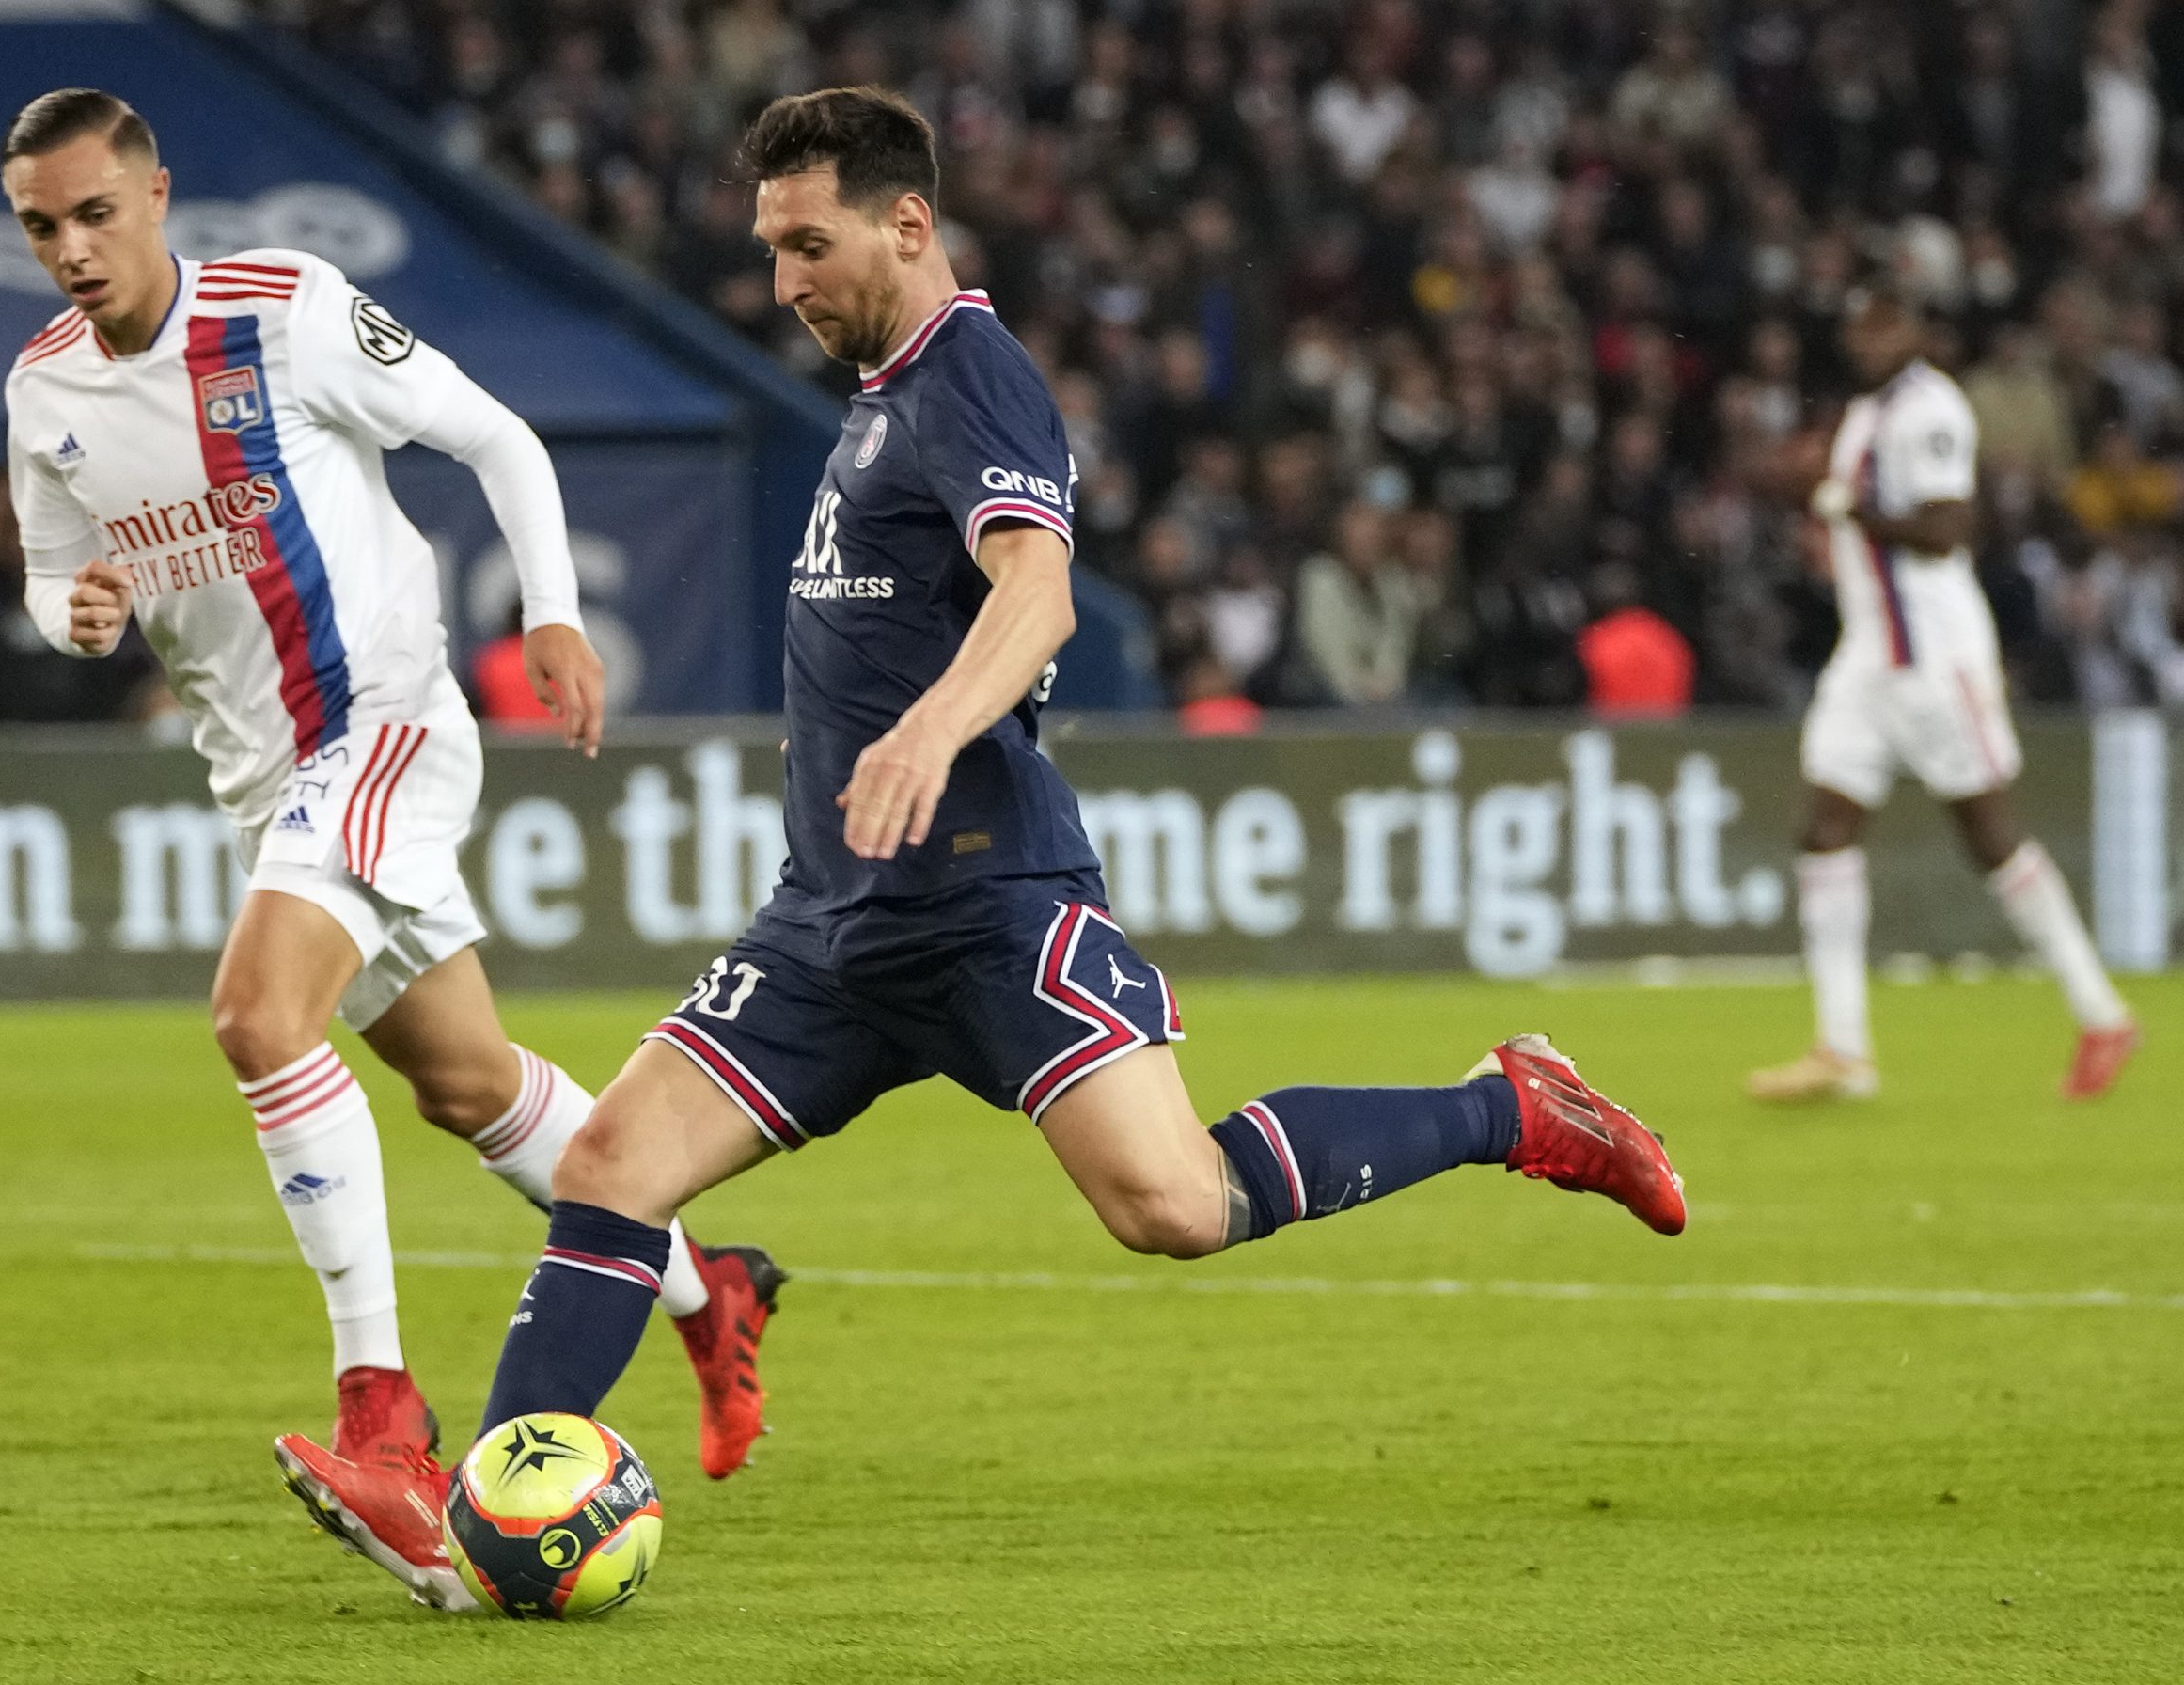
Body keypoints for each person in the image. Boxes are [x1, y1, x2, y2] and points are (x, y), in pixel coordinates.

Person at [283, 86, 1689, 1614]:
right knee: (614, 1163)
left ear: (907, 224)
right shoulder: (881, 393)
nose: (783, 282)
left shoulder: (973, 374)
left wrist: (928, 730)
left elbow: (1039, 594)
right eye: (770, 249)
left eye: (807, 244)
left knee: (1175, 1205)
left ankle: (1508, 1105)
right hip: (832, 924)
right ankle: (489, 1518)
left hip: (987, 905)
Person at [0, 90, 785, 1516]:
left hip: (380, 728)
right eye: (41, 227)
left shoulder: (281, 313)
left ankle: (382, 1417)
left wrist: (552, 615)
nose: (72, 250)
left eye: (95, 214)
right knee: (467, 1083)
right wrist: (79, 615)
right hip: (261, 777)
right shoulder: (43, 390)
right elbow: (55, 578)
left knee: (258, 1018)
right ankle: (706, 1287)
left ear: (157, 195)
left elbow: (500, 438)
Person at [1748, 289, 2138, 1104]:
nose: (1867, 343)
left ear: (1915, 331)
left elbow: (1947, 529)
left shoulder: (1931, 409)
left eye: (1883, 327)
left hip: (1933, 656)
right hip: (1869, 655)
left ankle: (2101, 1013)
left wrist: (1843, 505)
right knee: (1822, 828)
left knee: (1988, 835)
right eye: (1858, 328)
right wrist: (1810, 488)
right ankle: (1843, 1049)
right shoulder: (1868, 409)